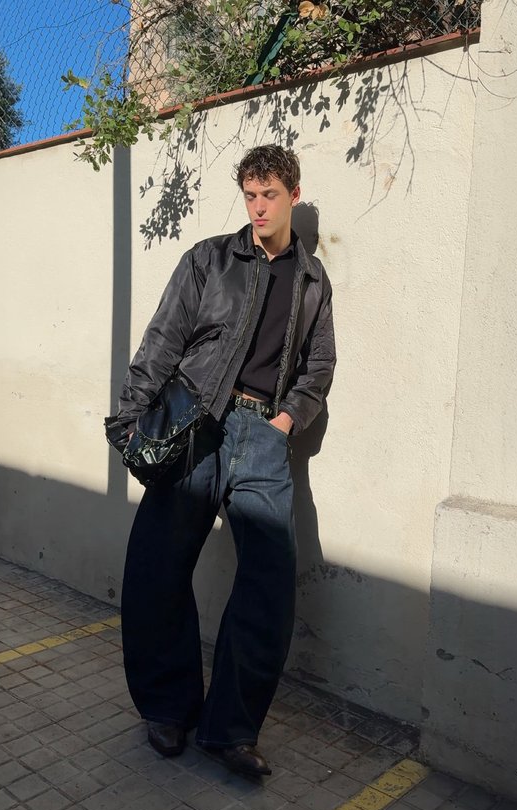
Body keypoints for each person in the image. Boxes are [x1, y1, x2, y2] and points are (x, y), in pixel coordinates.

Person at [114, 144, 336, 776]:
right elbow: (164, 338)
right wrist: (133, 415)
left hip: (262, 435)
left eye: (269, 194)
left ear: (294, 195)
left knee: (268, 585)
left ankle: (229, 730)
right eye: (250, 194)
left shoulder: (315, 281)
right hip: (197, 424)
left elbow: (319, 361)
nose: (258, 206)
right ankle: (168, 708)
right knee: (158, 565)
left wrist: (288, 419)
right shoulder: (210, 259)